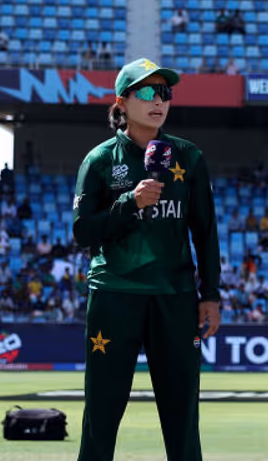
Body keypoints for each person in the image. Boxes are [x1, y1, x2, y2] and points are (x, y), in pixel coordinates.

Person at [73, 58, 221, 461]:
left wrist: (210, 294)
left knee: (182, 411)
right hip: (114, 294)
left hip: (175, 297)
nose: (158, 101)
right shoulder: (100, 160)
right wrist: (130, 203)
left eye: (164, 92)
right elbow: (82, 232)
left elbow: (205, 231)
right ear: (121, 102)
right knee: (101, 410)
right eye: (147, 92)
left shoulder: (189, 157)